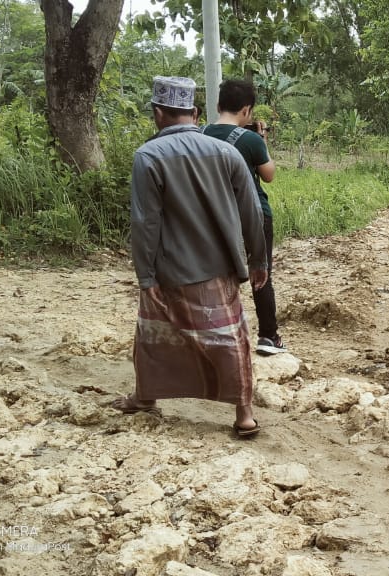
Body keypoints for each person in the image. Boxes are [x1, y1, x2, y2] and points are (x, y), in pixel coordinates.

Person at [113, 76, 269, 438]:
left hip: (170, 269)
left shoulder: (148, 157)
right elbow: (251, 212)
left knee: (154, 335)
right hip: (221, 268)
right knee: (231, 337)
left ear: (157, 114)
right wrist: (259, 260)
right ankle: (243, 415)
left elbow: (145, 223)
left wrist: (145, 276)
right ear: (196, 113)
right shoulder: (228, 153)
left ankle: (145, 397)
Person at [200, 79, 286, 357]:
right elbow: (269, 175)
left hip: (214, 215)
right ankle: (268, 337)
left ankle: (217, 333)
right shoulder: (249, 139)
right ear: (247, 110)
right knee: (262, 273)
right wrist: (262, 142)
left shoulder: (199, 134)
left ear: (218, 105)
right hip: (254, 215)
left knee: (217, 274)